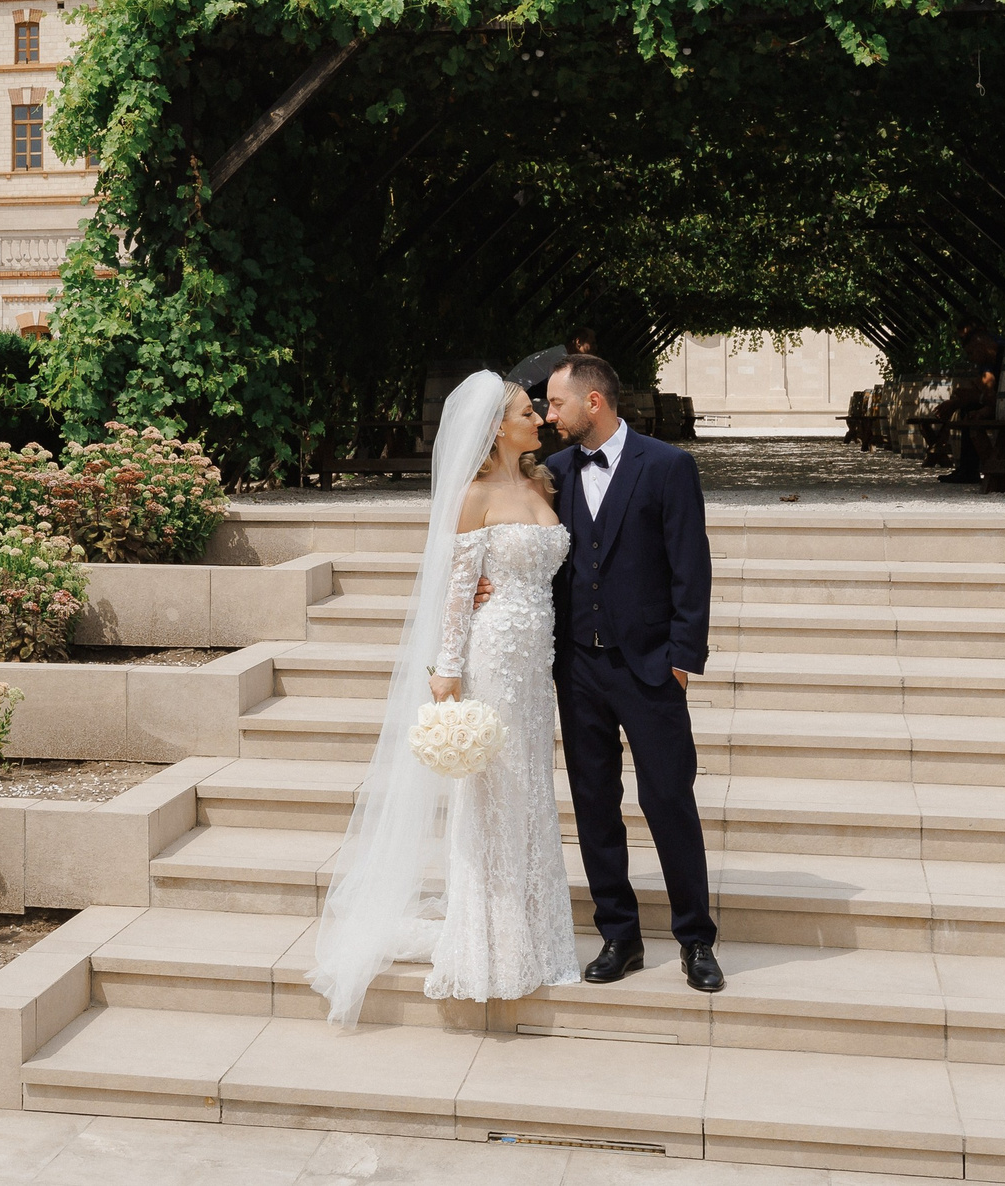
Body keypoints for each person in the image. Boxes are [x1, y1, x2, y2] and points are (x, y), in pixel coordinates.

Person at [307, 371, 579, 1027]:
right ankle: (489, 938)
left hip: (535, 663)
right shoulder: (474, 495)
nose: (538, 419)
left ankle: (535, 927)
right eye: (526, 411)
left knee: (530, 787)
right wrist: (447, 672)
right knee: (492, 790)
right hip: (491, 658)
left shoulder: (544, 484)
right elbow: (459, 590)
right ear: (496, 427)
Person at [538, 353, 723, 992]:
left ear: (593, 401)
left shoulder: (668, 466)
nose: (548, 415)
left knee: (668, 799)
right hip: (577, 666)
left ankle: (696, 939)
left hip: (649, 667)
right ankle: (619, 935)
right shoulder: (554, 473)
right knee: (594, 803)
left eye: (556, 402)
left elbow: (691, 567)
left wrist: (681, 659)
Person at [930, 320, 1004, 484]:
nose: (971, 359)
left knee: (970, 407)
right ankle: (968, 469)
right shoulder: (990, 361)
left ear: (980, 344)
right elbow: (984, 390)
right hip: (1002, 404)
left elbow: (994, 393)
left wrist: (969, 402)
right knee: (969, 409)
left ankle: (972, 470)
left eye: (971, 353)